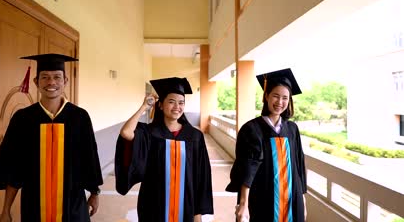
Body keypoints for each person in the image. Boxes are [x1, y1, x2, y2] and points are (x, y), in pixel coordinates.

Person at [0, 53, 103, 222]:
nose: (51, 82)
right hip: (34, 206)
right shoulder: (23, 119)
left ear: (65, 81)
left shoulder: (79, 117)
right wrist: (6, 209)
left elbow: (90, 158)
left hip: (72, 205)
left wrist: (95, 193)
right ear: (36, 82)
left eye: (57, 77)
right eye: (45, 77)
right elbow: (14, 166)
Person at [115, 77, 214, 222]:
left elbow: (201, 176)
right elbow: (126, 133)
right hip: (153, 205)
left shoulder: (194, 136)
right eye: (171, 102)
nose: (177, 107)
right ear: (160, 105)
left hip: (186, 205)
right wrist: (144, 107)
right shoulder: (149, 133)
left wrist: (197, 212)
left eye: (181, 103)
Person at [226, 68, 307, 222]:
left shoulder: (292, 129)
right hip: (263, 197)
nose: (280, 102)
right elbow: (246, 168)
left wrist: (302, 199)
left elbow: (298, 165)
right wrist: (243, 203)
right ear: (266, 96)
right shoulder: (252, 129)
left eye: (285, 98)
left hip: (292, 198)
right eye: (276, 96)